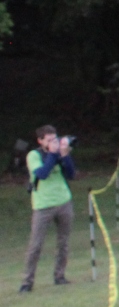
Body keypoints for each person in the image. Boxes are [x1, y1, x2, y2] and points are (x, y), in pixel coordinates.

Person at [21, 124, 76, 293]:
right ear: (40, 141)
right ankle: (27, 282)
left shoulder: (59, 152)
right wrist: (52, 154)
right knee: (35, 245)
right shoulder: (34, 155)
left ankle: (59, 276)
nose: (54, 142)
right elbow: (42, 174)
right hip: (43, 205)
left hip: (63, 201)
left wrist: (65, 155)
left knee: (63, 242)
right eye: (49, 140)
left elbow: (71, 174)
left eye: (55, 139)